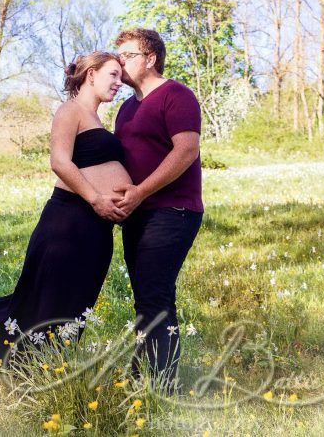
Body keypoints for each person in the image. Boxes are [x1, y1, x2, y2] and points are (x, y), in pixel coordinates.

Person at [0, 52, 131, 369]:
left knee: (76, 302)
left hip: (96, 229)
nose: (119, 82)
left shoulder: (97, 118)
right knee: (45, 299)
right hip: (69, 221)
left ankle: (47, 369)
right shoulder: (70, 111)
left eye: (121, 76)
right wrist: (97, 198)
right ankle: (23, 366)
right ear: (91, 74)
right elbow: (60, 161)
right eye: (113, 74)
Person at [113, 28, 204, 390]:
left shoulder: (176, 95)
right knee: (147, 297)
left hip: (173, 211)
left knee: (155, 295)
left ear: (150, 59)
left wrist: (140, 191)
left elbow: (185, 151)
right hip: (136, 214)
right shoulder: (125, 108)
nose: (120, 62)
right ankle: (143, 379)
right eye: (117, 55)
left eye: (128, 55)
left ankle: (163, 386)